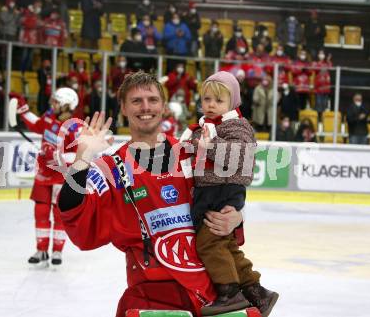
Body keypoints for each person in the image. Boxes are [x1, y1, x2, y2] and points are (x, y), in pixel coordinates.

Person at [57, 71, 245, 317]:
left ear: (163, 106)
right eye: (136, 101)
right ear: (123, 107)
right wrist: (82, 158)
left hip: (214, 293)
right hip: (152, 298)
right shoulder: (112, 168)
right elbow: (73, 212)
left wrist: (236, 216)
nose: (145, 107)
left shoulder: (193, 152)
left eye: (152, 99)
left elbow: (227, 194)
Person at [179, 71, 278, 316]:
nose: (211, 105)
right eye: (207, 99)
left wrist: (209, 146)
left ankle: (229, 292)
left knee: (209, 243)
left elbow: (242, 156)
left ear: (232, 103)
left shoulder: (237, 126)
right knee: (225, 244)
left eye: (218, 101)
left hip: (223, 190)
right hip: (210, 190)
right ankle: (257, 292)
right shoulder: (205, 126)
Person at [13, 87, 81, 266]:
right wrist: (23, 109)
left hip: (62, 176)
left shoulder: (75, 127)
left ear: (67, 105)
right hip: (43, 173)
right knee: (41, 211)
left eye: (57, 102)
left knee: (59, 214)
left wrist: (57, 156)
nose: (53, 104)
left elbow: (79, 154)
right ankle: (41, 250)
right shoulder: (50, 116)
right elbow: (36, 125)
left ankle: (57, 251)